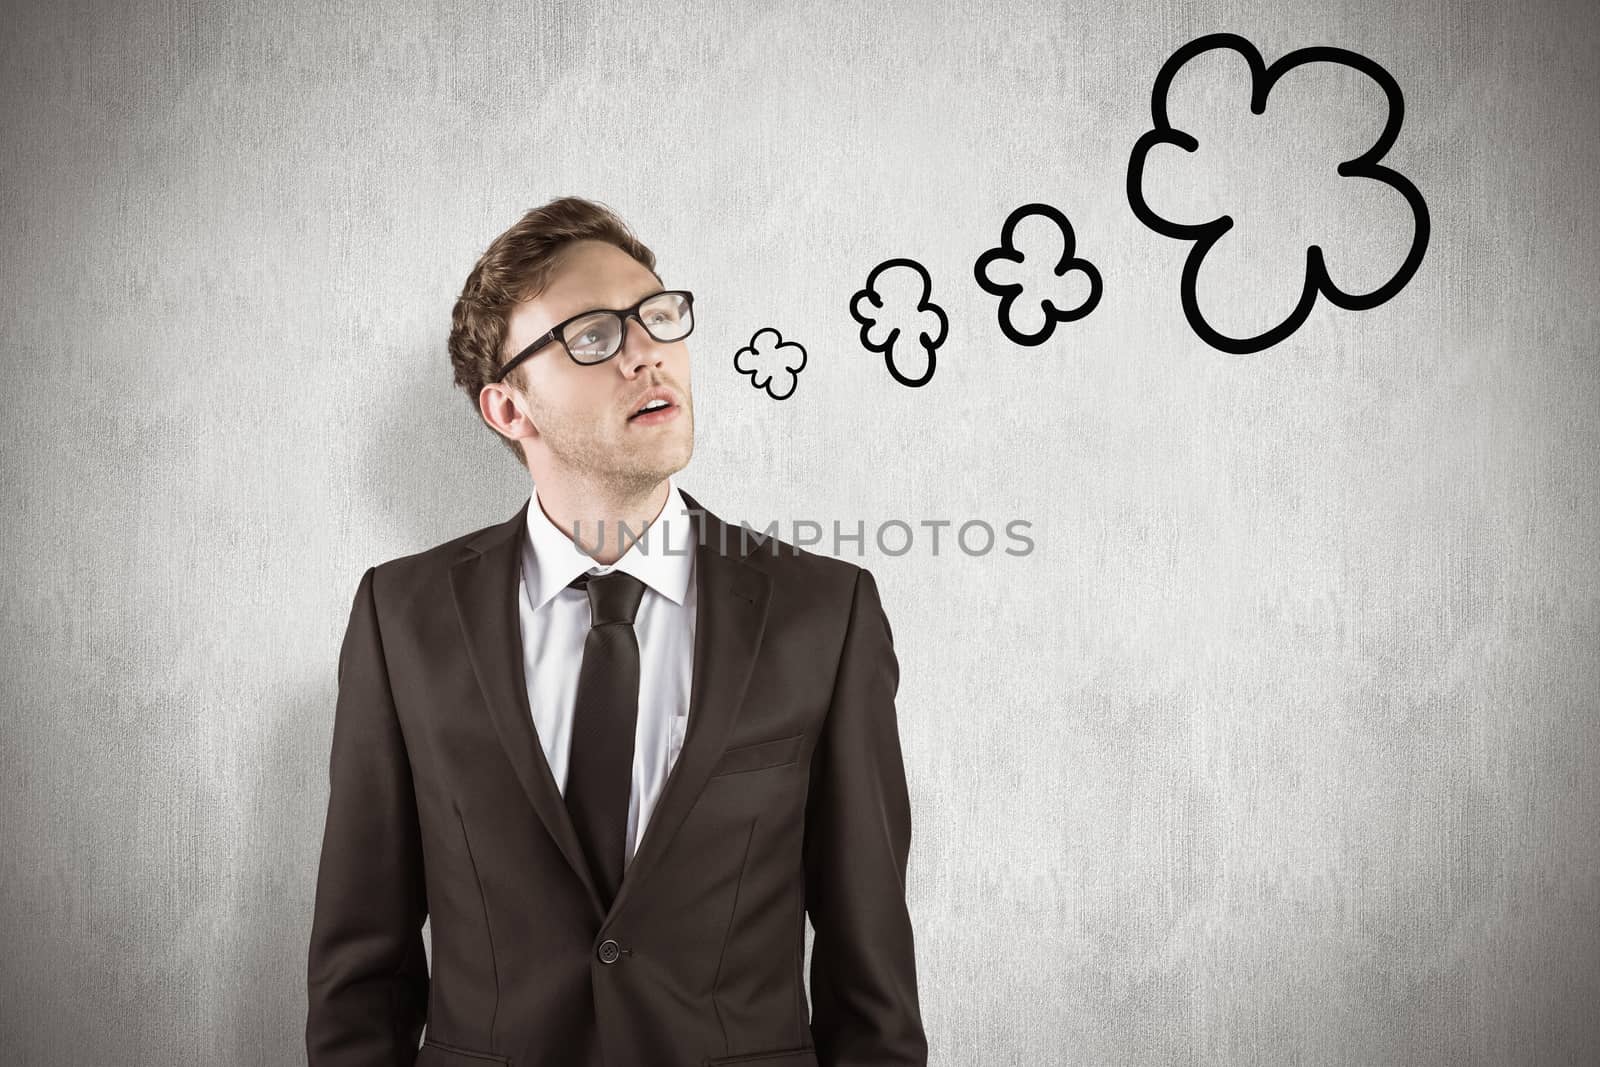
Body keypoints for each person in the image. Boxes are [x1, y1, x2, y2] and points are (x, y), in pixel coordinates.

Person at [305, 196, 927, 1066]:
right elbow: (360, 972)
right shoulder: (399, 617)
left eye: (658, 316)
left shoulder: (825, 613)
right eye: (592, 336)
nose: (645, 353)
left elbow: (874, 985)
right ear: (508, 409)